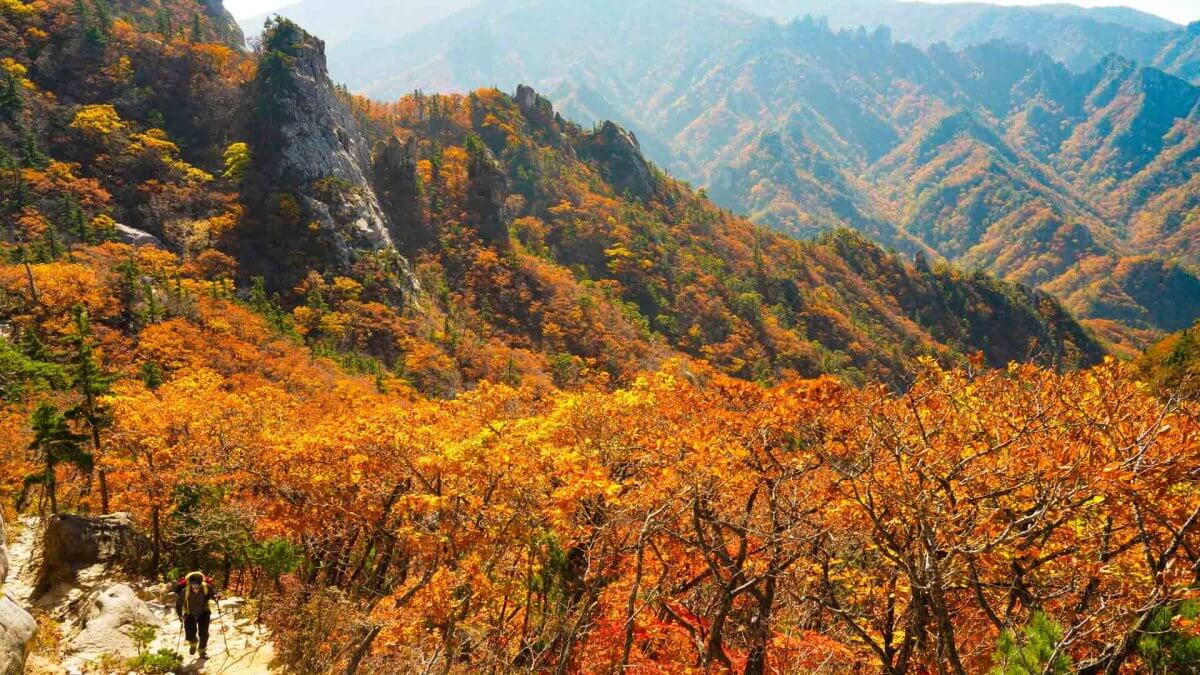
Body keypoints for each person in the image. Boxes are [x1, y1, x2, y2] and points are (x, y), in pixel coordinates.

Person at [173, 571, 218, 658]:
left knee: (204, 633)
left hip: (204, 612)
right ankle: (193, 643)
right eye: (193, 586)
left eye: (197, 586)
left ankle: (202, 651)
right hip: (189, 614)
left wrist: (216, 597)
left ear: (200, 583)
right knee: (190, 634)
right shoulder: (184, 591)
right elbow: (179, 604)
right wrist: (180, 616)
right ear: (190, 584)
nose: (195, 588)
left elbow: (213, 594)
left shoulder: (206, 587)